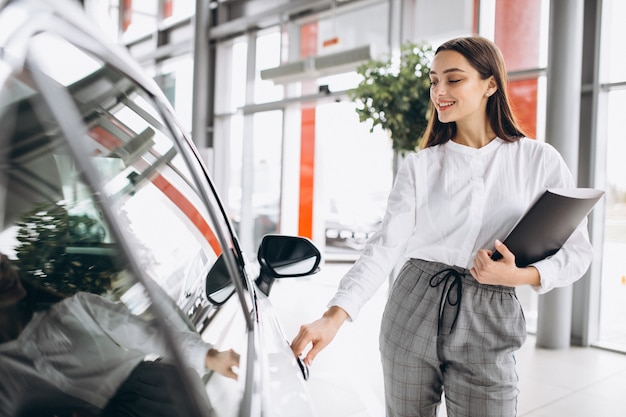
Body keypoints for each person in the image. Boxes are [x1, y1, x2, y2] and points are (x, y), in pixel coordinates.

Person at [291, 36, 593, 417]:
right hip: (414, 301)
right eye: (434, 81)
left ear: (490, 84)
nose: (440, 92)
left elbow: (578, 252)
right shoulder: (421, 166)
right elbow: (384, 247)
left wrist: (520, 276)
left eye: (453, 79)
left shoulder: (538, 159)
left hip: (491, 309)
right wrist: (333, 317)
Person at [0, 252, 240, 417]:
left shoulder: (76, 309)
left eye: (2, 264)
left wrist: (210, 356)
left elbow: (148, 335)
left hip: (164, 397)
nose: (5, 272)